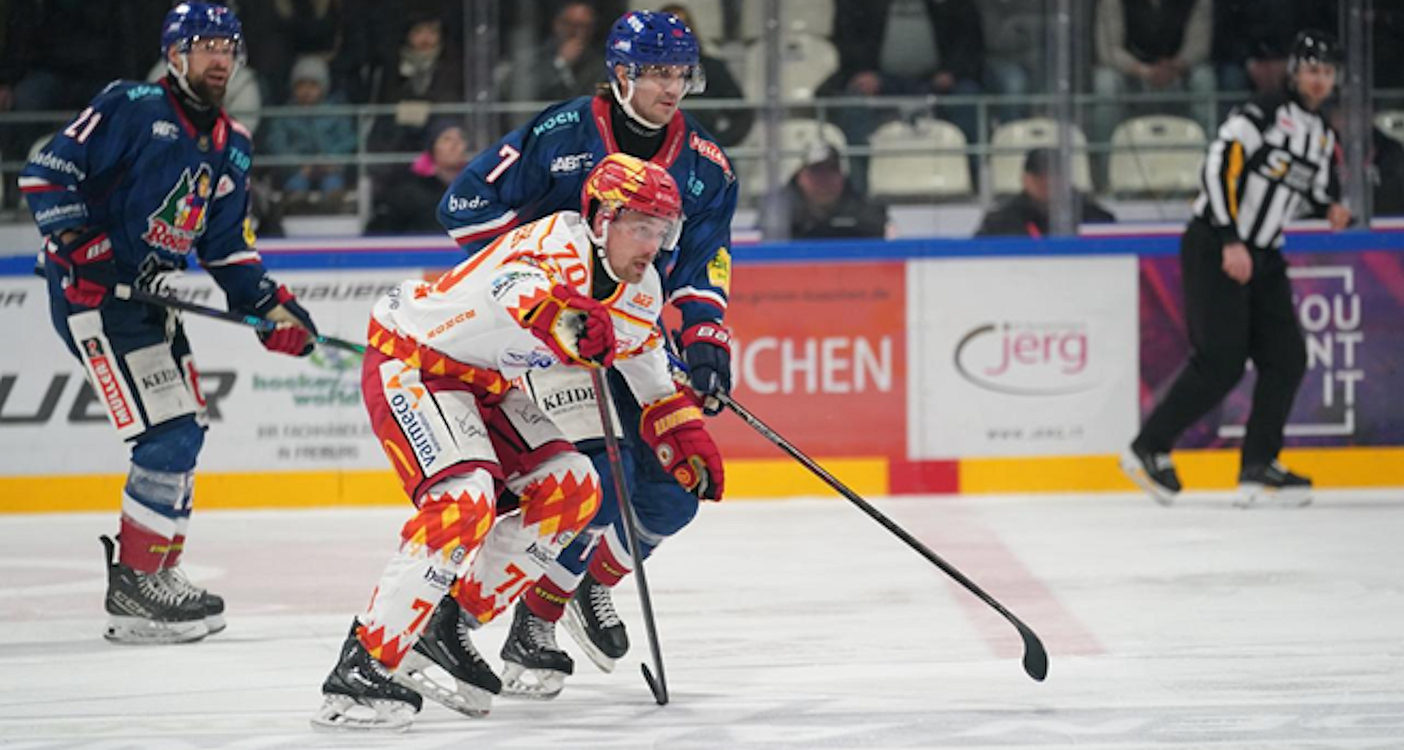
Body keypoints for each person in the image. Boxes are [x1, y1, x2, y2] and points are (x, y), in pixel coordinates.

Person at [311, 153, 724, 730]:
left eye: (661, 230)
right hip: (414, 359)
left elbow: (650, 375)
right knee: (464, 502)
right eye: (641, 226)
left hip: (486, 382)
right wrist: (570, 317)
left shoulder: (641, 287)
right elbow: (519, 289)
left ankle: (446, 622)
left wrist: (682, 434)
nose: (652, 243)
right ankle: (363, 666)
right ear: (602, 219)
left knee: (573, 489)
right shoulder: (554, 244)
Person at [433, 9, 736, 700]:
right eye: (656, 71)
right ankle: (493, 617)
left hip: (629, 335)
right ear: (621, 72)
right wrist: (548, 272)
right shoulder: (561, 133)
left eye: (680, 72)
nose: (671, 86)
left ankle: (557, 603)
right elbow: (464, 207)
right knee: (596, 484)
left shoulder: (706, 168)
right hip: (553, 341)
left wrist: (706, 339)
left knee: (670, 494)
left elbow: (702, 265)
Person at [18, 2, 319, 644]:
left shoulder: (233, 145)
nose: (219, 58)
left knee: (185, 434)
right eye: (205, 45)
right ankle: (134, 586)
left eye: (228, 47)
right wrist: (82, 245)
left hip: (147, 298)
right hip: (93, 297)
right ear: (175, 54)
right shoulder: (130, 105)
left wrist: (271, 306)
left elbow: (227, 250)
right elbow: (46, 176)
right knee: (170, 432)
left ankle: (157, 571)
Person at [1120, 30, 1351, 509]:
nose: (1319, 80)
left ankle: (1257, 464)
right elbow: (1218, 166)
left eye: (1327, 72)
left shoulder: (1322, 133)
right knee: (1220, 360)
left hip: (1266, 254)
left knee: (1286, 357)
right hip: (1217, 244)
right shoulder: (1261, 114)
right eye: (1312, 70)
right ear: (1295, 71)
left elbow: (1316, 186)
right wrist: (1229, 239)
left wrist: (1331, 207)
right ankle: (1148, 447)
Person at [1091, 0, 1216, 144]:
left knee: (1204, 77)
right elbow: (1109, 50)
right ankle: (1105, 161)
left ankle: (1211, 158)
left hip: (1179, 75)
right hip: (1130, 76)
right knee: (1105, 82)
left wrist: (1175, 66)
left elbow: (1199, 46)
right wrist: (1144, 71)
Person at [261, 55, 355, 206]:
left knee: (333, 185)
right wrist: (299, 165)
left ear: (323, 87)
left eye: (313, 85)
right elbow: (277, 145)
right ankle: (295, 208)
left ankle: (333, 210)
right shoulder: (283, 115)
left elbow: (348, 141)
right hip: (296, 172)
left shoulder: (337, 112)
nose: (307, 91)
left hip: (331, 169)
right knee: (296, 186)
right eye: (301, 85)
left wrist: (329, 160)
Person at [660, 3, 753, 147]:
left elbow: (741, 113)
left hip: (699, 152)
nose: (676, 34)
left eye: (683, 26)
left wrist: (717, 143)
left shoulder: (711, 68)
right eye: (668, 28)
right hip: (656, 152)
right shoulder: (643, 71)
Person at [975, 148, 1116, 237]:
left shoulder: (1092, 216)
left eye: (1054, 176)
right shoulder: (1000, 221)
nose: (1048, 182)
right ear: (1025, 179)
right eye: (1040, 176)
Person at [365, 119, 469, 234]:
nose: (455, 145)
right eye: (447, 139)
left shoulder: (476, 189)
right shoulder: (409, 191)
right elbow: (378, 234)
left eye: (460, 139)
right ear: (432, 148)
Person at [777, 141, 889, 239]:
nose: (824, 180)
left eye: (831, 171)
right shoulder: (778, 214)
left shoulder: (865, 212)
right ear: (800, 178)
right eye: (816, 172)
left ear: (842, 177)